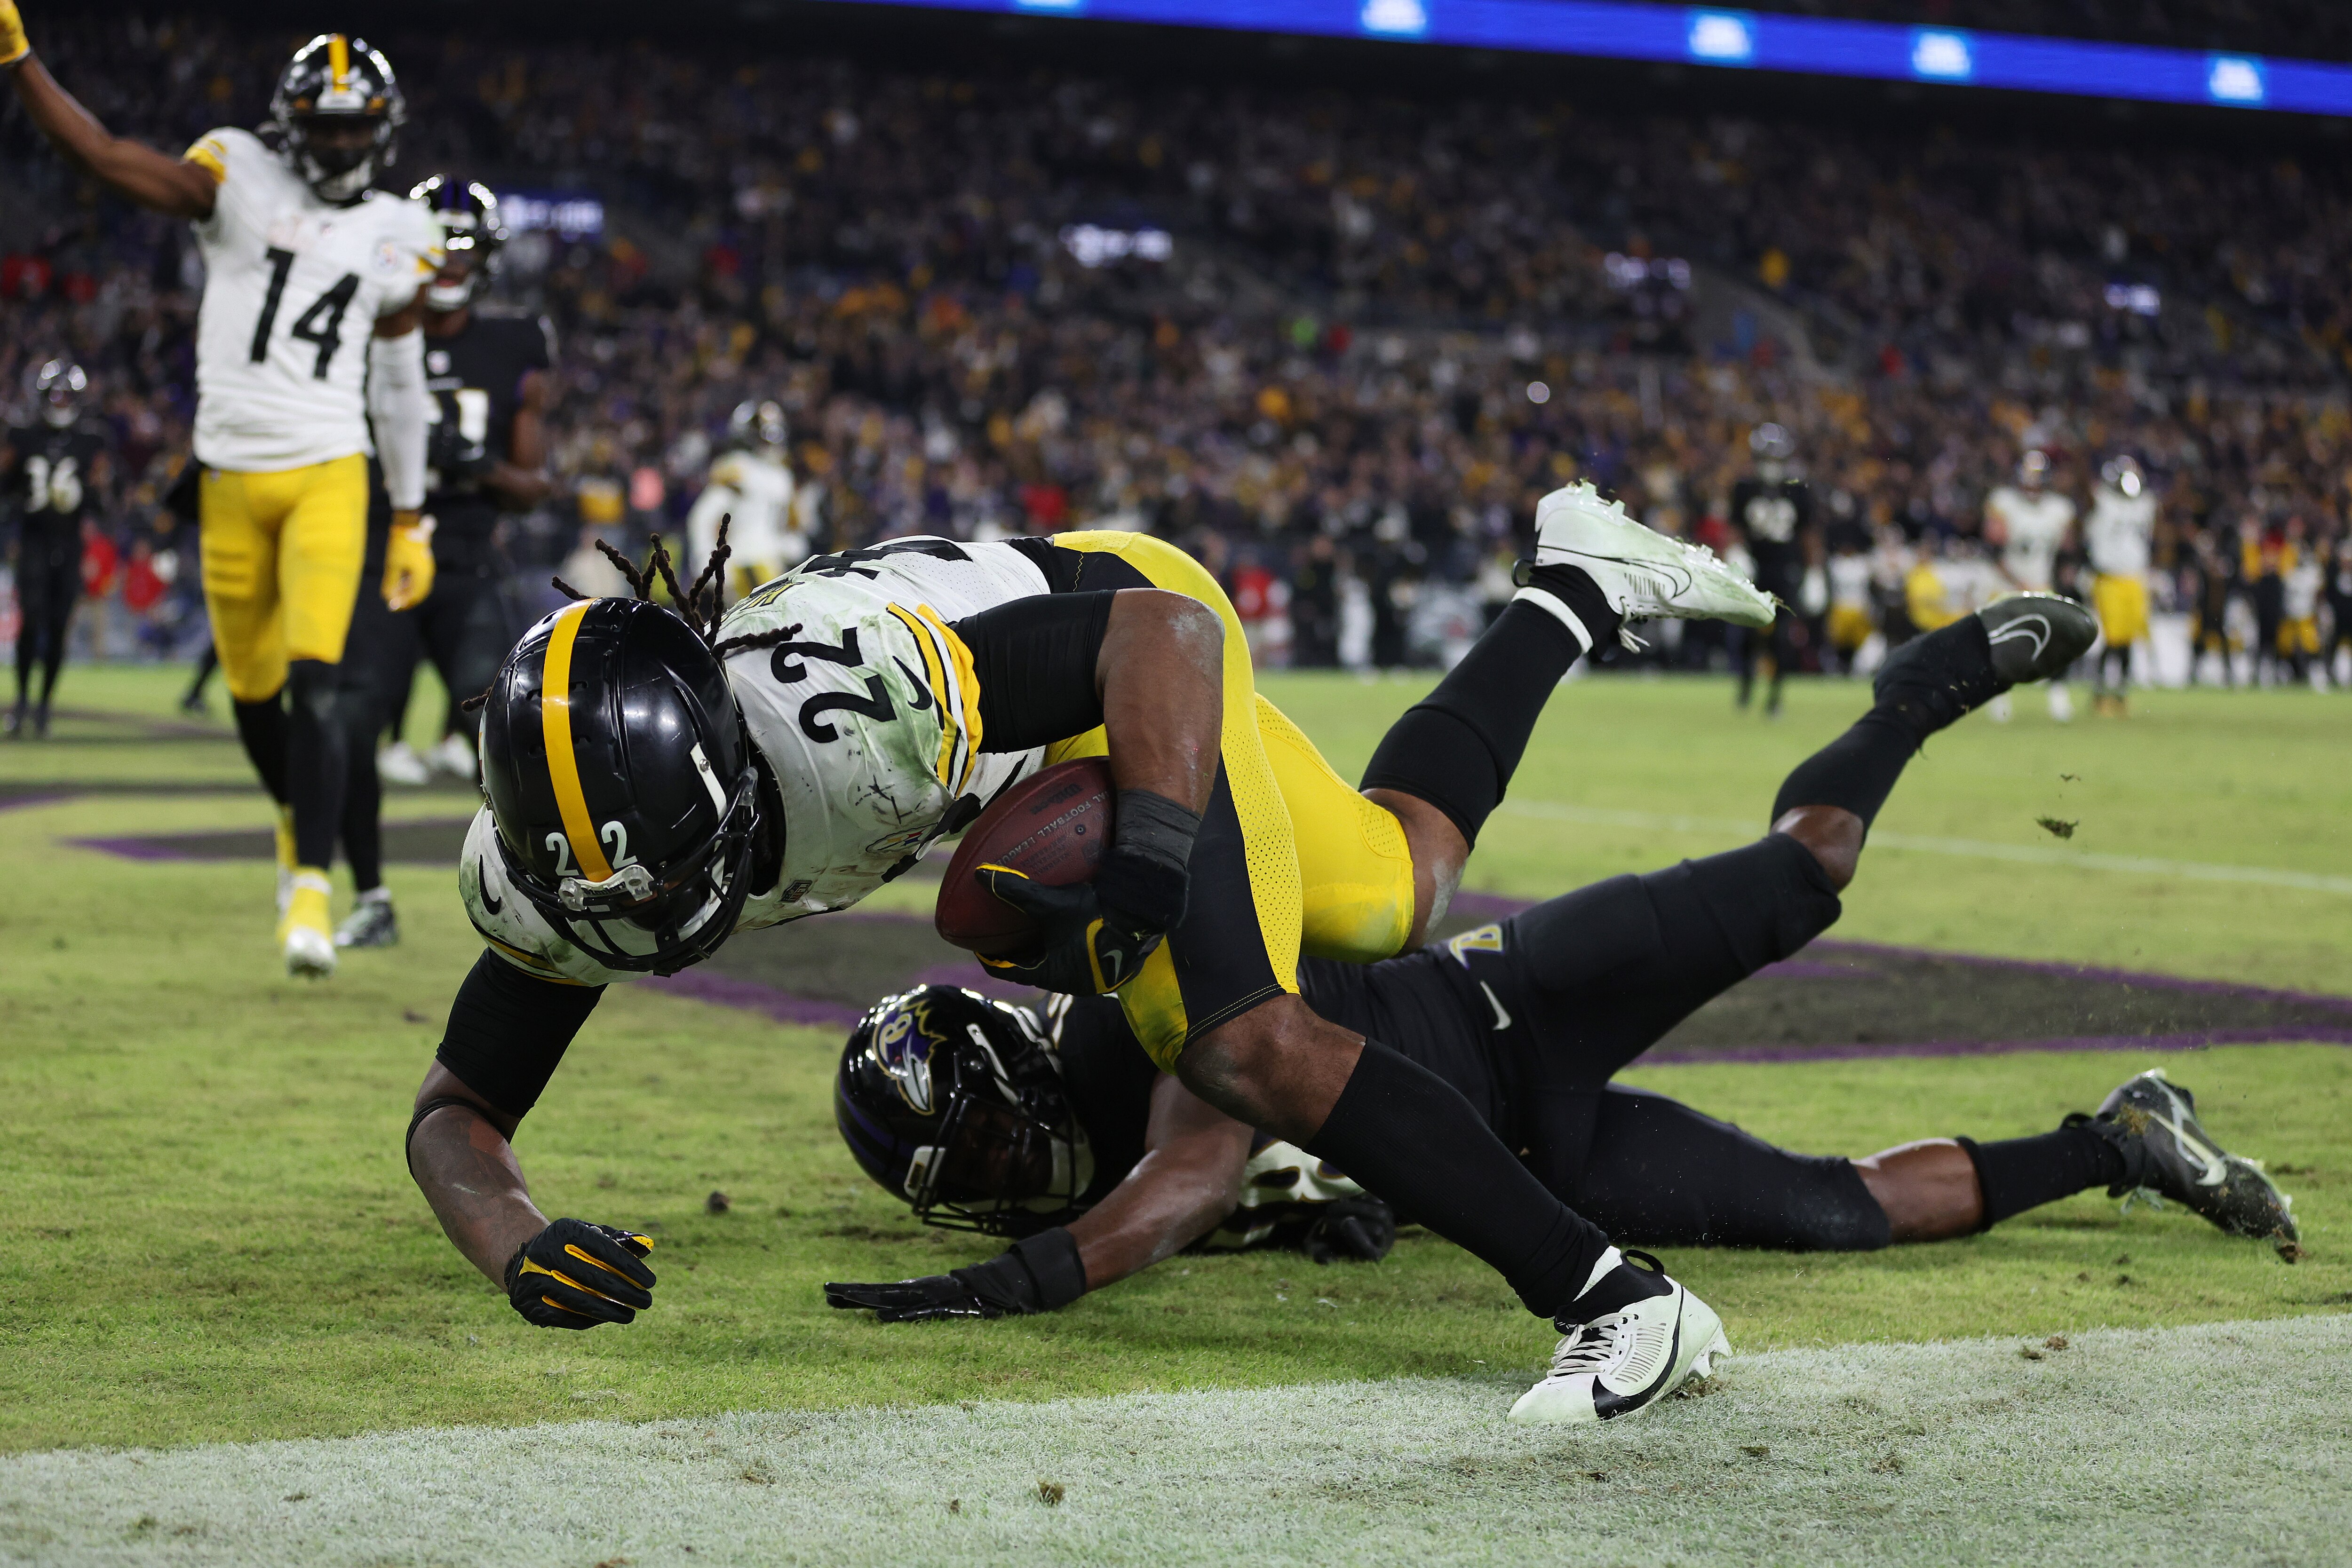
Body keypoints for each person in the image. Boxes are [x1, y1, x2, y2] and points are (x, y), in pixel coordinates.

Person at [405, 486, 2099, 1425]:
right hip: (1048, 723)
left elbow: (1146, 634)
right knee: (1391, 892)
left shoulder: (846, 720)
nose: (647, 930)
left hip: (1121, 654)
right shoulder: (562, 852)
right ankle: (1569, 592)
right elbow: (456, 1114)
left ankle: (1620, 1302)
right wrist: (511, 1242)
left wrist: (1145, 847)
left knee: (1238, 1039)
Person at [2, 13, 443, 976]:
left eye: (351, 126)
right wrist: (19, 60)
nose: (335, 143)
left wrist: (410, 515)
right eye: (321, 127)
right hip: (232, 477)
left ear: (382, 126)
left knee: (321, 685)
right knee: (253, 697)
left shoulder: (404, 230)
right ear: (289, 126)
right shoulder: (236, 171)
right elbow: (105, 154)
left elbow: (402, 387)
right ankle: (295, 825)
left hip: (331, 466)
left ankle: (313, 891)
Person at [339, 178, 556, 952]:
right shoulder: (365, 328)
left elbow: (533, 487)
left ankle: (537, 895)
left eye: (469, 245)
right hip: (380, 556)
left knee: (503, 734)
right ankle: (369, 894)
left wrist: (476, 466)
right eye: (443, 242)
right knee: (353, 726)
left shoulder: (514, 343)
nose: (453, 260)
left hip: (465, 560)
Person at [3, 359, 110, 738]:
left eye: (67, 395)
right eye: (56, 394)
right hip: (32, 541)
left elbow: (102, 503)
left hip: (69, 544)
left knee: (58, 625)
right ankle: (22, 701)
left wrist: (97, 489)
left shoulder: (90, 441)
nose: (62, 401)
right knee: (31, 622)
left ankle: (44, 705)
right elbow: (6, 487)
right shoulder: (22, 436)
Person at [1982, 449, 2078, 722]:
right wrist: (2016, 580)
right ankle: (1999, 701)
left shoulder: (2059, 509)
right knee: (2005, 646)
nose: (2033, 485)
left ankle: (2058, 699)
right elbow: (1993, 549)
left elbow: (2068, 551)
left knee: (2057, 644)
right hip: (2006, 584)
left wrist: (2065, 578)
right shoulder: (2003, 503)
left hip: (2042, 583)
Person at [1730, 422, 1810, 716]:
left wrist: (1813, 573)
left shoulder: (1798, 491)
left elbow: (1808, 534)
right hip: (1754, 567)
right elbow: (1735, 527)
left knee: (1782, 637)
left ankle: (1775, 697)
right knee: (1748, 633)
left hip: (1786, 568)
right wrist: (1737, 553)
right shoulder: (1745, 488)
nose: (1771, 465)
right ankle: (1746, 685)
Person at [684, 400, 799, 601]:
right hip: (745, 562)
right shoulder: (738, 469)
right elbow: (703, 516)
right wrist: (705, 557)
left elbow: (787, 523)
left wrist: (787, 543)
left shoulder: (781, 475)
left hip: (772, 561)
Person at [2082, 455, 2155, 716]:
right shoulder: (2103, 501)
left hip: (2135, 577)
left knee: (2128, 638)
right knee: (2113, 637)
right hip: (2108, 577)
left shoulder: (2145, 504)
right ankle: (2102, 692)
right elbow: (2090, 495)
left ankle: (2121, 691)